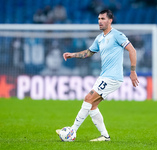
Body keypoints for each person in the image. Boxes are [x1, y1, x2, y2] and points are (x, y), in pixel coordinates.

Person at [56, 9, 139, 142]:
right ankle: (105, 136)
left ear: (110, 20)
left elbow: (132, 50)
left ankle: (72, 131)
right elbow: (88, 53)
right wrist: (73, 54)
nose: (100, 21)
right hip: (104, 76)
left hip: (112, 77)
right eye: (99, 19)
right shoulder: (99, 38)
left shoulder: (117, 35)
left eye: (103, 19)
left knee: (88, 98)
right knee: (92, 106)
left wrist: (133, 71)